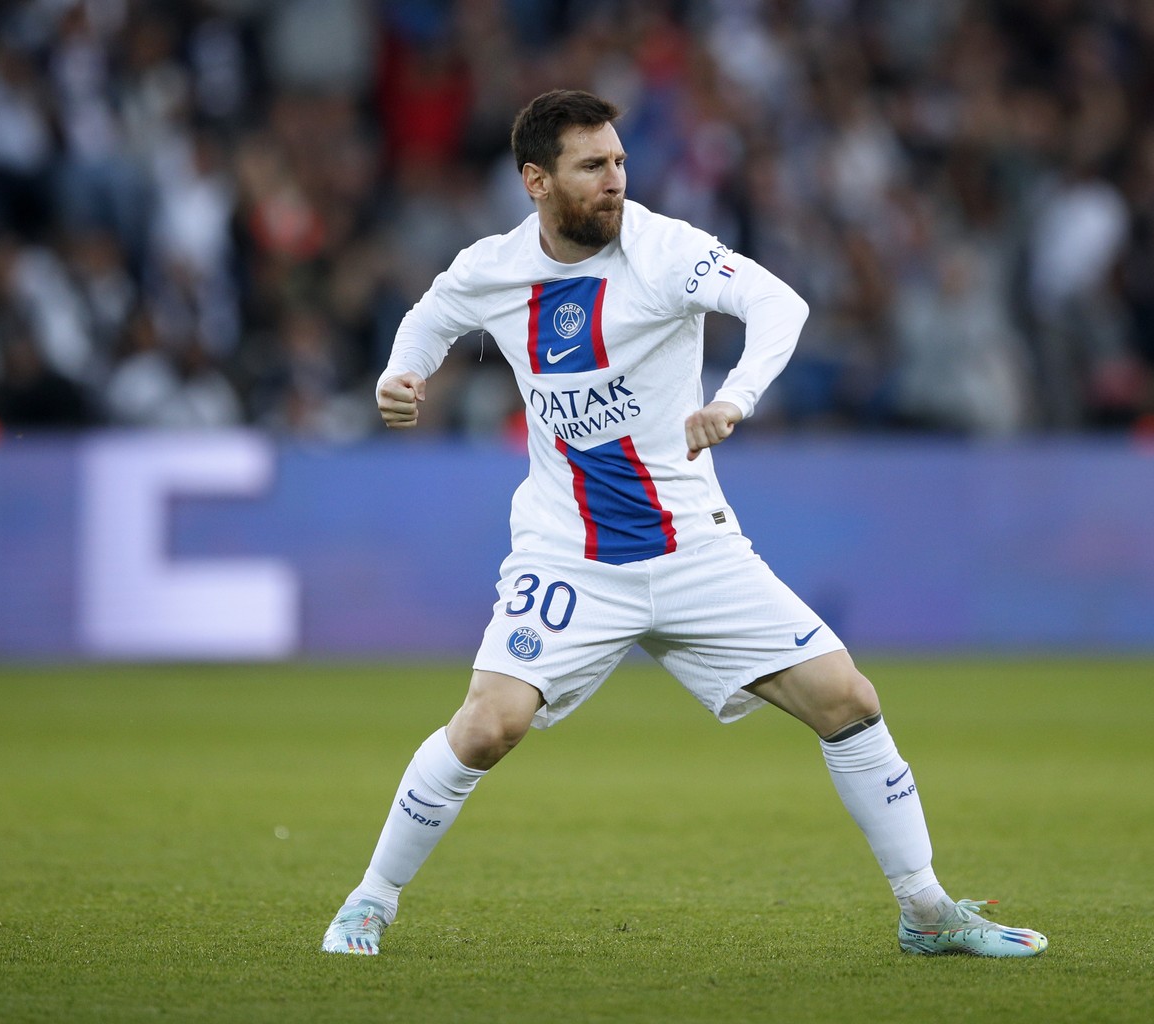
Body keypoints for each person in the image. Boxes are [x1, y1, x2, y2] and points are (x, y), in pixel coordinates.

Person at [319, 90, 1046, 959]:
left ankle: (926, 912)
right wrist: (399, 377)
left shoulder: (666, 251)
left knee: (848, 700)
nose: (616, 180)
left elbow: (781, 306)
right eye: (593, 167)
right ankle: (370, 901)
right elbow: (430, 316)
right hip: (572, 555)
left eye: (620, 161)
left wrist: (733, 398)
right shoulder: (494, 268)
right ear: (535, 182)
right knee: (487, 727)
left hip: (696, 546)